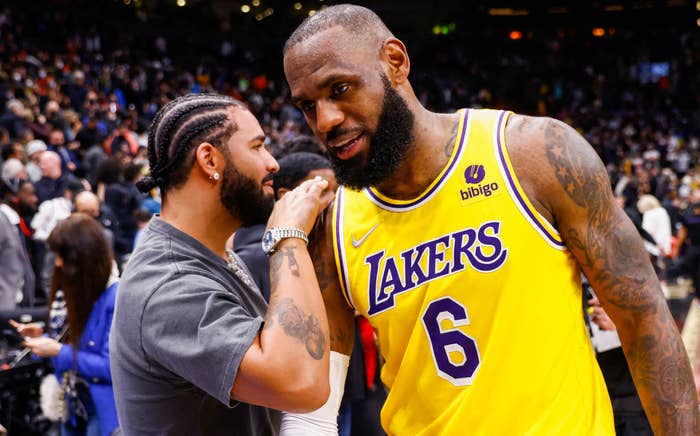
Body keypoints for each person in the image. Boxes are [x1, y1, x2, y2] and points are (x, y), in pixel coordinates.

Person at [282, 4, 699, 434]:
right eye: (307, 106)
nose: (325, 120)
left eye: (341, 89)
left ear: (395, 61)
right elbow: (314, 405)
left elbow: (644, 319)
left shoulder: (533, 155)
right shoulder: (332, 230)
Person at [109, 93, 338, 435]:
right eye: (258, 146)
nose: (272, 163)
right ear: (209, 160)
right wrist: (288, 237)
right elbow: (301, 384)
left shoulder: (210, 253)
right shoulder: (169, 284)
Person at [12, 212, 119, 436]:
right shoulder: (74, 291)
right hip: (71, 402)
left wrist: (58, 350)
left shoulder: (115, 298)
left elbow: (111, 367)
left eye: (63, 256)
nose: (58, 263)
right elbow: (75, 339)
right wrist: (44, 336)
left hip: (100, 409)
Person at [234, 151, 337, 301]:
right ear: (285, 195)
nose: (334, 199)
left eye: (335, 190)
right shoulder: (255, 258)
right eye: (321, 192)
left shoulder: (334, 243)